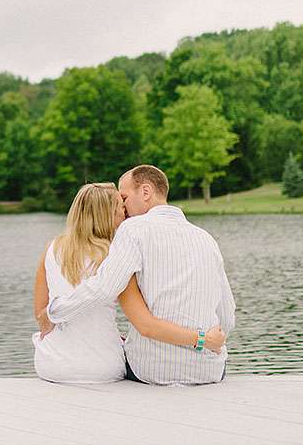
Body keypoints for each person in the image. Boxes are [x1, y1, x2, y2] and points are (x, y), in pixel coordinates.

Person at [45, 165, 237, 386]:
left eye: (124, 197)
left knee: (110, 355)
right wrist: (207, 340)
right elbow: (227, 316)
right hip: (208, 371)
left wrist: (56, 310)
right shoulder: (206, 239)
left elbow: (105, 288)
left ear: (146, 192)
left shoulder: (132, 230)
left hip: (151, 370)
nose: (123, 207)